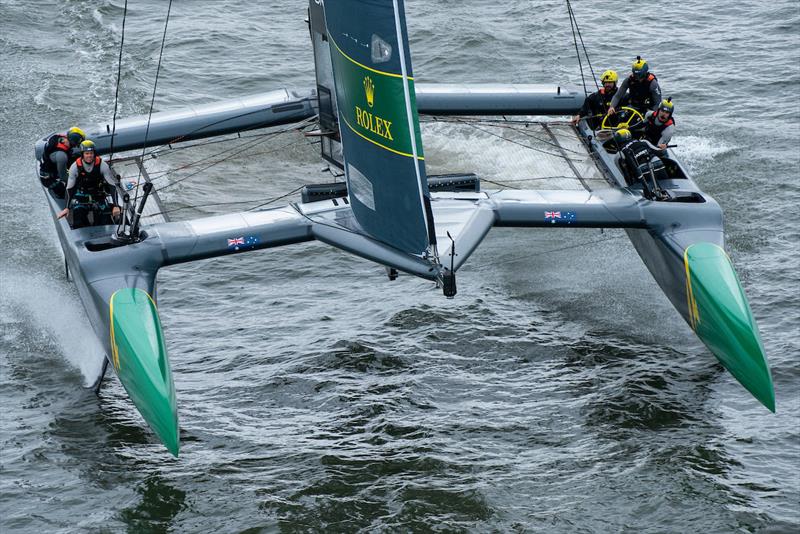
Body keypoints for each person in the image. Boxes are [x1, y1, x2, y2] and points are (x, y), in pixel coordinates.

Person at [57, 140, 122, 228]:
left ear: (94, 153)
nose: (89, 156)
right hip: (81, 196)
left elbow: (112, 186)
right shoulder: (75, 167)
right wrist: (66, 207)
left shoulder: (102, 165)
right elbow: (69, 188)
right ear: (82, 154)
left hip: (98, 196)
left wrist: (116, 205)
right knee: (79, 220)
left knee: (105, 221)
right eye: (87, 153)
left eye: (91, 153)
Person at [614, 128, 669, 200]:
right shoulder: (644, 141)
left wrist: (630, 184)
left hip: (643, 172)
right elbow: (659, 152)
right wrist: (663, 147)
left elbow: (625, 174)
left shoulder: (619, 154)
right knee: (664, 182)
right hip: (658, 164)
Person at [40, 126, 86, 197]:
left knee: (78, 158)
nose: (76, 146)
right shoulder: (62, 156)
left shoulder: (60, 138)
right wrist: (81, 183)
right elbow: (63, 177)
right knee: (69, 192)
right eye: (78, 143)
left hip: (53, 165)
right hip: (49, 179)